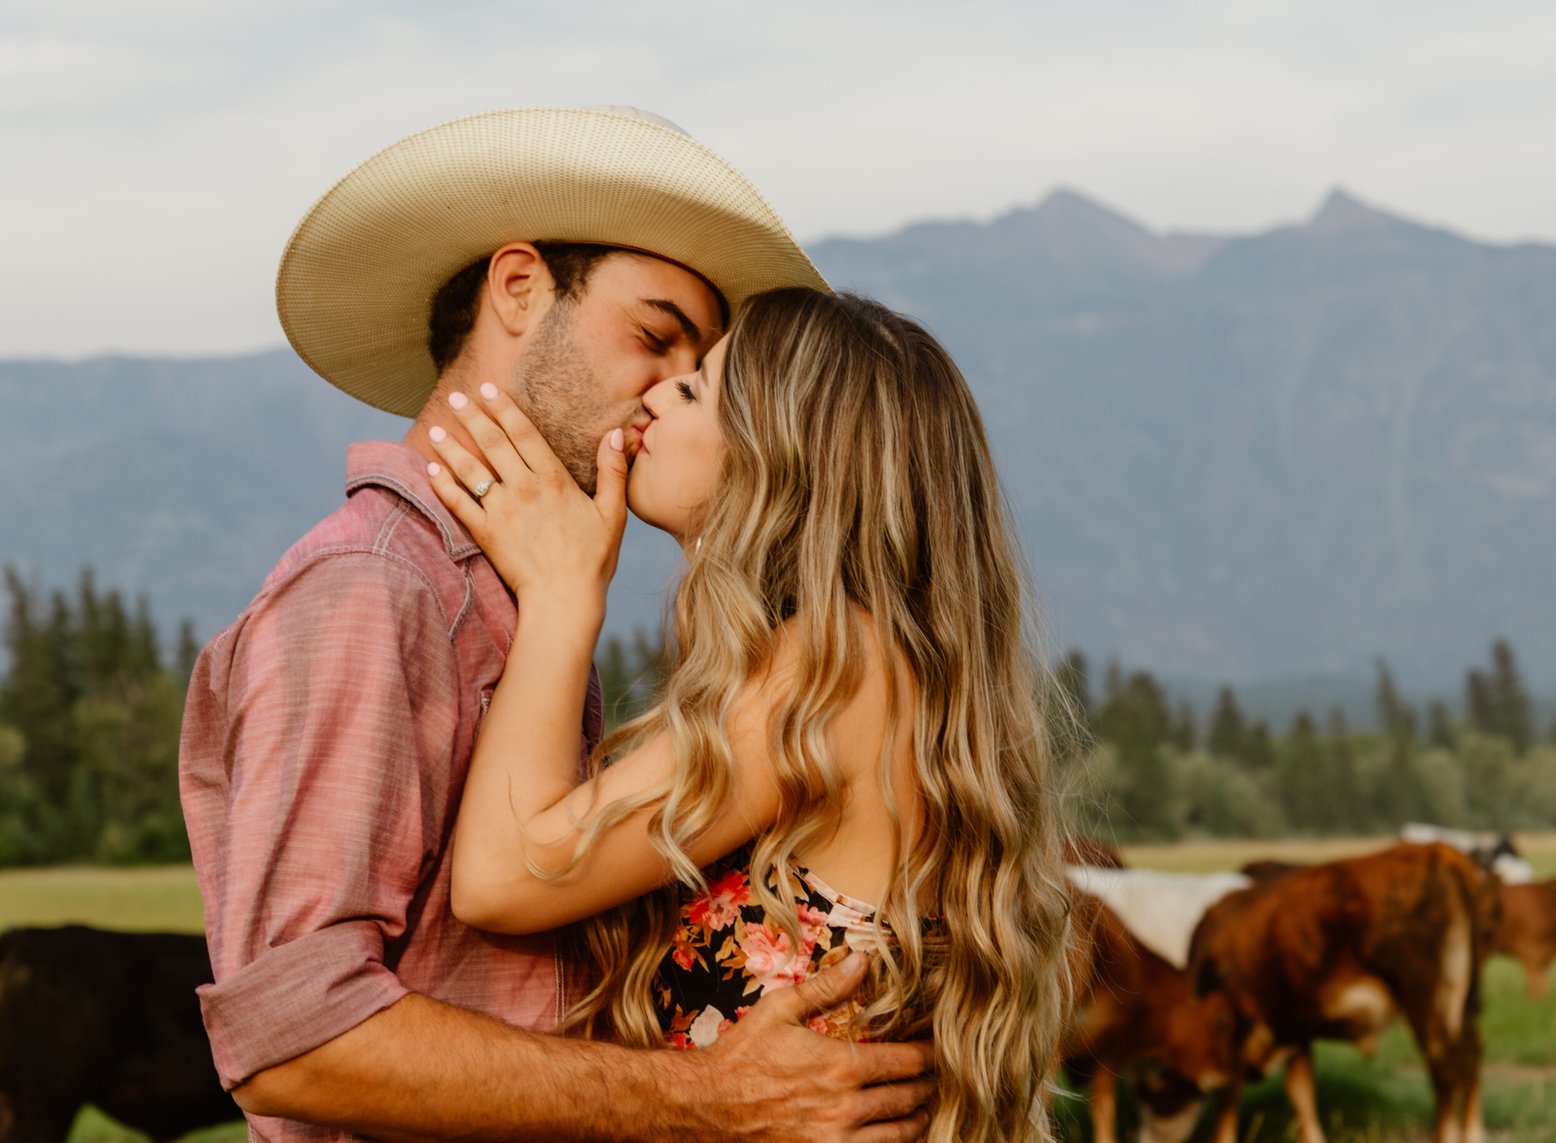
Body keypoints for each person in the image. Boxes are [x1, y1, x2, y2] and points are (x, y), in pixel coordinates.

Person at [179, 107, 935, 1142]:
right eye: (655, 335)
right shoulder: (375, 589)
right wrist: (708, 1102)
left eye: (699, 371)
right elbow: (295, 1037)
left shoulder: (528, 602)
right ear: (521, 289)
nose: (667, 390)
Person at [426, 287, 1075, 1143]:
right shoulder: (853, 666)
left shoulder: (836, 667)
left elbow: (501, 878)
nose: (656, 393)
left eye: (696, 387)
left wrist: (560, 596)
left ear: (782, 457)